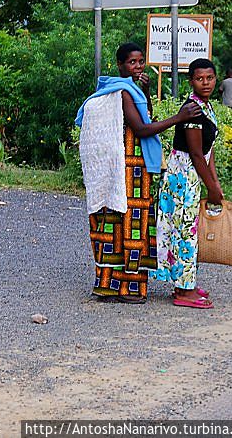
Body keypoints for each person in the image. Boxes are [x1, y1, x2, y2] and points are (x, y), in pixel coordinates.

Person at [75, 42, 202, 304]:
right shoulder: (122, 92)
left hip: (134, 168)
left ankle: (112, 286)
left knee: (123, 224)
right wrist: (179, 117)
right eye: (132, 62)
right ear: (120, 65)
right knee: (129, 224)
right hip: (128, 169)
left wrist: (144, 91)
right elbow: (142, 129)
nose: (138, 66)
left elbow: (145, 117)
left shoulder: (131, 91)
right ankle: (124, 288)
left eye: (141, 61)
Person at [152, 58, 222, 309]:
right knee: (184, 231)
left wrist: (214, 182)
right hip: (183, 178)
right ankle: (184, 290)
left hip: (193, 176)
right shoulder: (192, 109)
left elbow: (207, 150)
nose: (205, 83)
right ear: (190, 81)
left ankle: (186, 283)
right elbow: (194, 153)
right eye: (200, 78)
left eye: (210, 78)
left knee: (187, 229)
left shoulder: (206, 106)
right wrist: (211, 187)